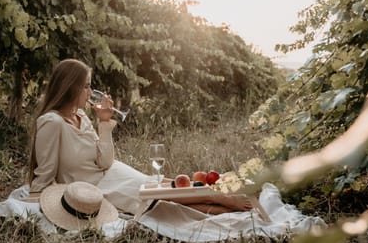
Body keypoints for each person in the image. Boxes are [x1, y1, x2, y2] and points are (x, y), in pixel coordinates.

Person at [28, 58, 253, 219]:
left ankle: (217, 196)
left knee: (163, 184)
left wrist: (104, 124)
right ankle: (218, 200)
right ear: (70, 87)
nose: (90, 92)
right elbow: (44, 174)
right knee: (163, 200)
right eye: (86, 86)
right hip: (97, 188)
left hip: (114, 172)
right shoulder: (51, 122)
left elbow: (105, 162)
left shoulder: (81, 117)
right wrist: (33, 204)